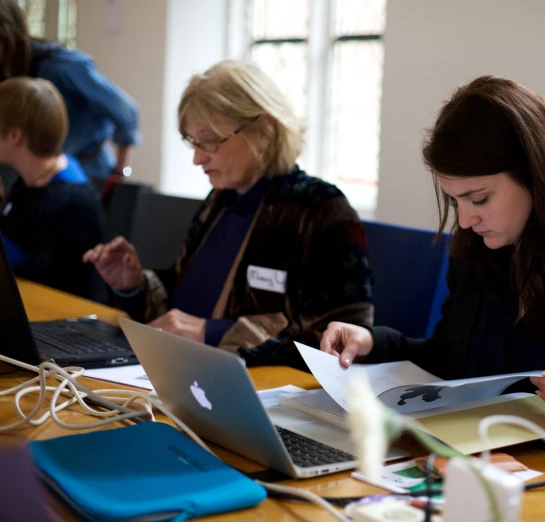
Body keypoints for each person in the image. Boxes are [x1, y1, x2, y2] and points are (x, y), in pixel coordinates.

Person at [320, 76, 545, 426]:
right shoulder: (477, 253)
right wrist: (371, 341)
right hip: (486, 461)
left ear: (536, 175)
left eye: (479, 199)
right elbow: (448, 359)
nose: (465, 221)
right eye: (455, 203)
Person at [83, 59, 373, 368]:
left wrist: (213, 333)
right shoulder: (220, 201)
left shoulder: (320, 209)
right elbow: (180, 308)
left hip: (257, 393)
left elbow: (341, 341)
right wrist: (134, 285)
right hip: (183, 372)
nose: (197, 157)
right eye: (193, 142)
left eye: (210, 140)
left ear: (264, 129)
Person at [0, 0, 140, 180]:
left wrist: (120, 173)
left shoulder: (60, 65)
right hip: (30, 178)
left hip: (86, 172)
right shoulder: (7, 69)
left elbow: (126, 112)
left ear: (6, 34)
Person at [0, 77, 107, 302]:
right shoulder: (40, 175)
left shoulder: (67, 202)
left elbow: (15, 266)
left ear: (14, 135)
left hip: (58, 318)